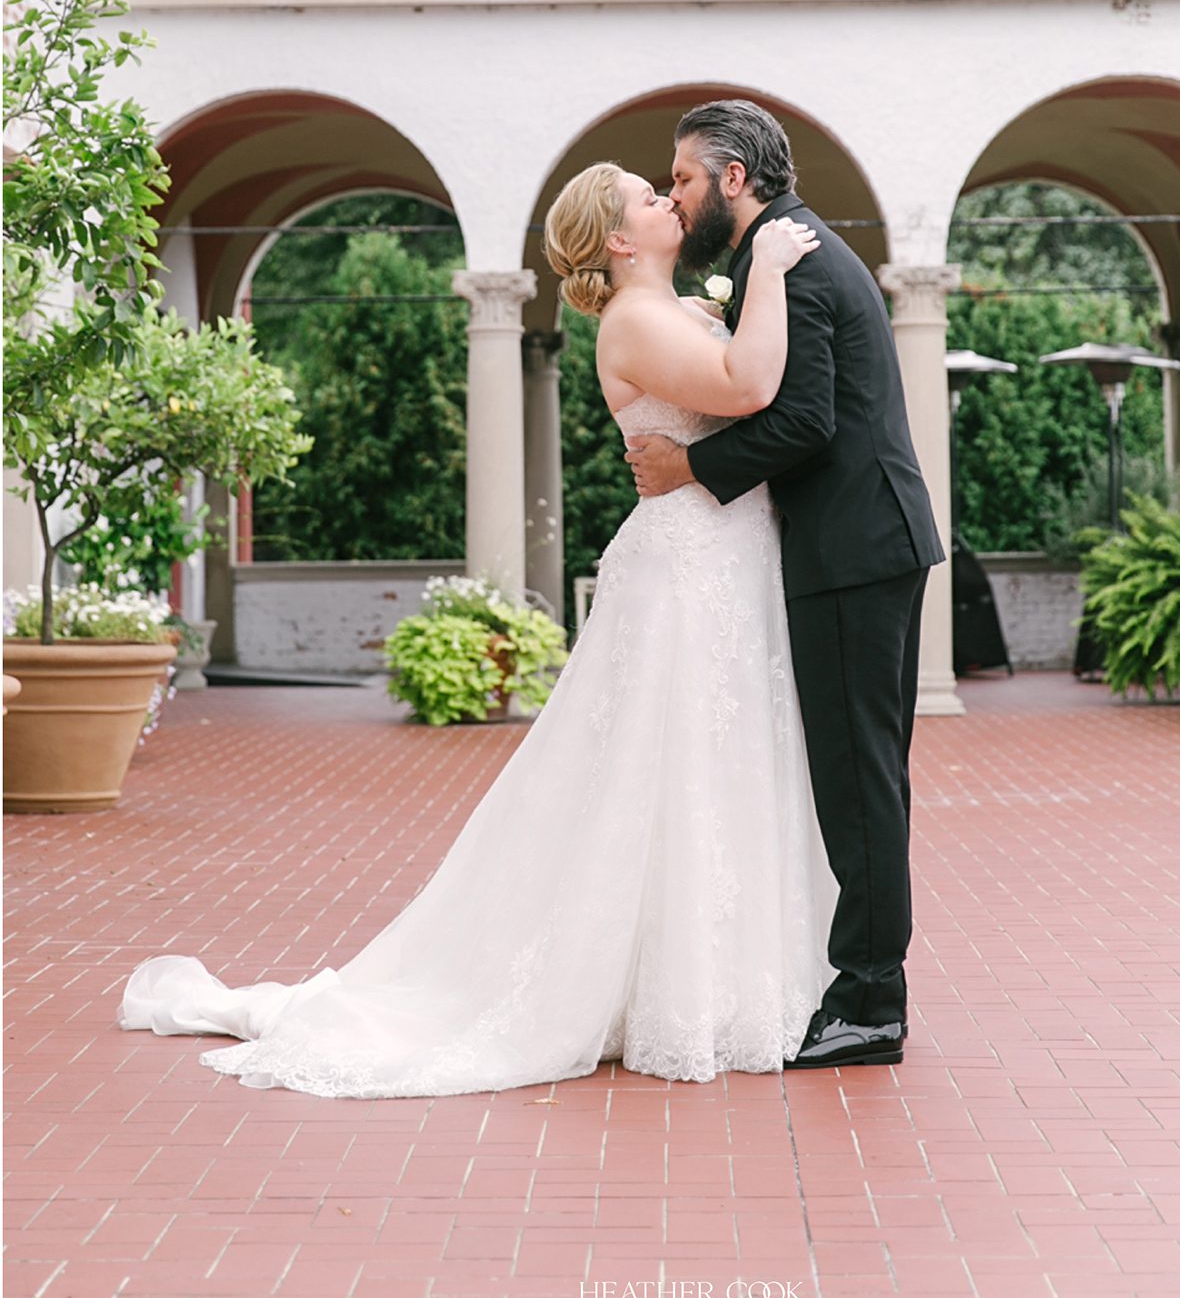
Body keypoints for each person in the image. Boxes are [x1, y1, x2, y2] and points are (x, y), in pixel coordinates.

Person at [117, 162, 842, 1099]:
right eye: (645, 196)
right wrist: (776, 272)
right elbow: (746, 386)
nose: (666, 199)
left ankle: (723, 985)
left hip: (727, 559)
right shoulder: (632, 320)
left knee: (721, 762)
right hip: (685, 572)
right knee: (669, 768)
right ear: (619, 241)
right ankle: (662, 994)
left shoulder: (676, 306)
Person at [627, 99, 945, 1071]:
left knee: (859, 781)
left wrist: (690, 470)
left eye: (682, 177)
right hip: (861, 543)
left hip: (853, 550)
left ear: (732, 179)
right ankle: (861, 987)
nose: (676, 195)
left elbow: (804, 420)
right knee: (861, 775)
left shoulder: (794, 257)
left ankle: (869, 1005)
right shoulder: (786, 251)